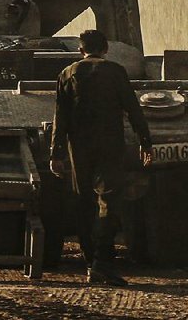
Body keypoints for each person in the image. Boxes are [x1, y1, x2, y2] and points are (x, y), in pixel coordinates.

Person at [50, 29, 153, 286]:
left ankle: (89, 262)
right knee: (108, 200)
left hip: (79, 147)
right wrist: (145, 142)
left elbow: (59, 118)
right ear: (105, 49)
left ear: (80, 50)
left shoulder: (67, 74)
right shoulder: (116, 72)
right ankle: (102, 262)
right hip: (110, 145)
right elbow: (132, 108)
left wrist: (56, 152)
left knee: (83, 201)